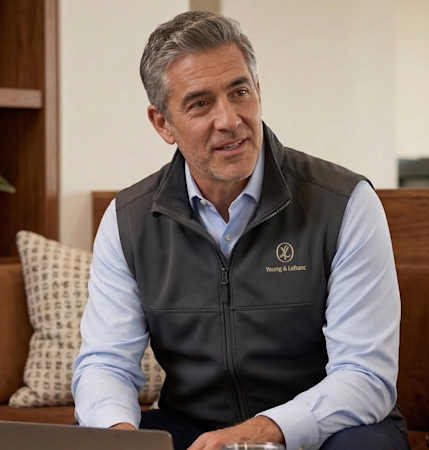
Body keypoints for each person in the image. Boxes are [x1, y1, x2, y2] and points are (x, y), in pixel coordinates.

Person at [72, 10, 410, 450]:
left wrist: (255, 433)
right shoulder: (128, 220)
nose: (229, 120)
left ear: (258, 91)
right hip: (192, 427)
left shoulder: (345, 203)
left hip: (328, 429)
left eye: (239, 92)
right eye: (200, 103)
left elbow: (365, 376)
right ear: (163, 123)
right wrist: (119, 438)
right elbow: (105, 363)